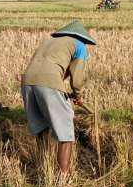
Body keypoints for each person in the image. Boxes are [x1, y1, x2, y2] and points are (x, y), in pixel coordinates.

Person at [21, 21, 96, 175]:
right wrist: (77, 94)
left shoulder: (49, 42)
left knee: (41, 128)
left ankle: (43, 168)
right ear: (82, 37)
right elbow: (76, 77)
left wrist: (62, 90)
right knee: (66, 134)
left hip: (27, 82)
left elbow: (59, 69)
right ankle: (62, 178)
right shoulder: (79, 45)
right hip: (48, 82)